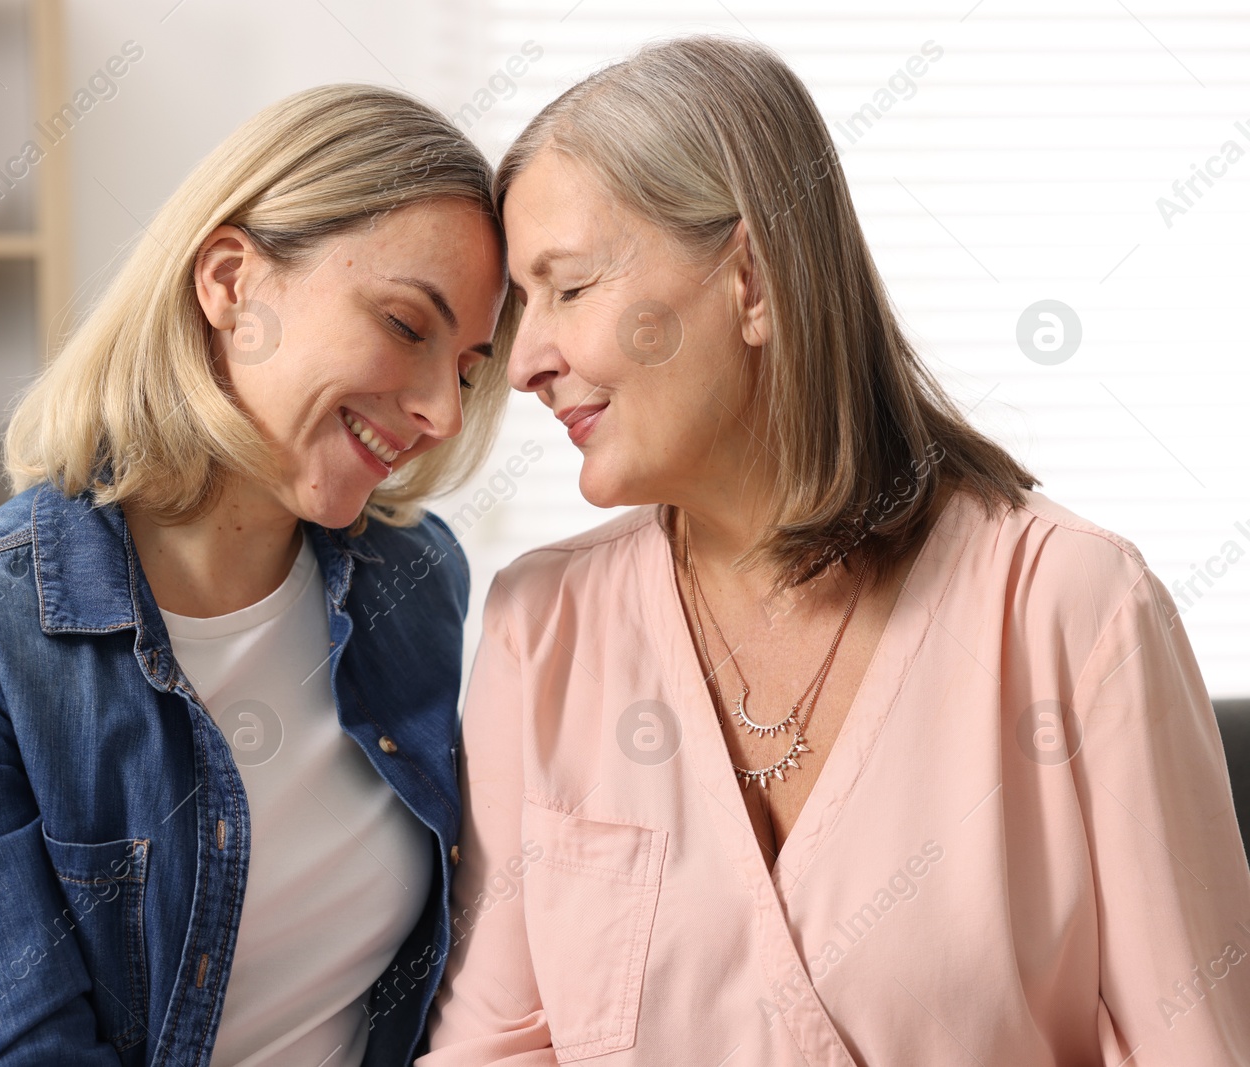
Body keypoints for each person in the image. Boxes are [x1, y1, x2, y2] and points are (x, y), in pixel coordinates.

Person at [423, 35, 1250, 1066]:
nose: (529, 360)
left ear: (753, 281)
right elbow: (495, 1047)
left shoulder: (1073, 606)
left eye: (571, 288)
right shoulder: (539, 625)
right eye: (519, 310)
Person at [0, 83, 511, 1067]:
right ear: (230, 283)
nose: (442, 413)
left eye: (466, 365)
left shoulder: (413, 581)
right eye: (408, 325)